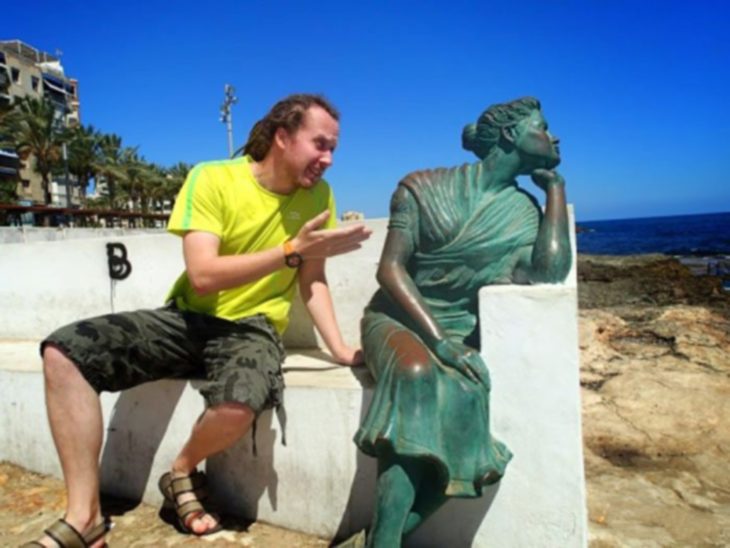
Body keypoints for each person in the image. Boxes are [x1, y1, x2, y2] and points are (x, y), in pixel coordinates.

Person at [24, 93, 371, 548]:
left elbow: (313, 280)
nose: (328, 160)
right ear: (283, 137)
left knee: (239, 401)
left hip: (253, 328)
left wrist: (342, 349)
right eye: (320, 144)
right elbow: (204, 276)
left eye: (333, 150)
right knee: (65, 351)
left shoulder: (319, 196)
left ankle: (181, 471)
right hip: (187, 318)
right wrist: (290, 251)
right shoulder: (212, 178)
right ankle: (84, 515)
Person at [352, 97, 571, 546]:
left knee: (469, 410)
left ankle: (381, 538)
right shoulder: (422, 187)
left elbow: (550, 270)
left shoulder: (524, 214)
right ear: (510, 135)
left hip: (457, 333)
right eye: (543, 127)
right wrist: (440, 343)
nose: (554, 136)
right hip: (397, 322)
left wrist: (555, 190)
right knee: (416, 374)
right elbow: (389, 269)